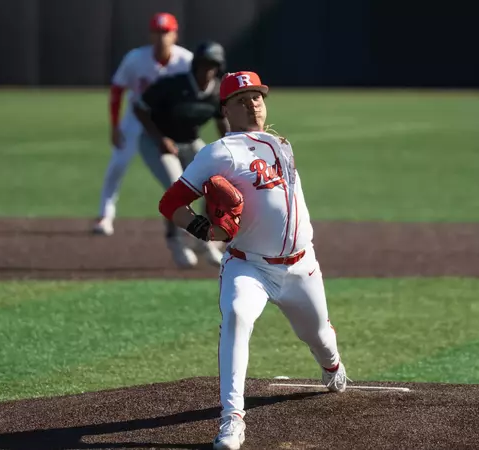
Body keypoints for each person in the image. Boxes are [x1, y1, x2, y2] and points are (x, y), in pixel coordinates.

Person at [157, 71, 348, 450]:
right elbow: (170, 203)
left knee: (321, 339)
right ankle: (232, 420)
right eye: (241, 99)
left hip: (301, 267)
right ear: (225, 109)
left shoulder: (281, 143)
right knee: (238, 317)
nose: (252, 104)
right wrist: (204, 229)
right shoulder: (218, 152)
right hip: (250, 266)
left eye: (256, 97)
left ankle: (332, 367)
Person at [93, 12, 192, 236]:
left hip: (167, 125)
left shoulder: (186, 61)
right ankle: (105, 215)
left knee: (181, 173)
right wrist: (114, 125)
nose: (161, 37)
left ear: (175, 35)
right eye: (157, 32)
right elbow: (117, 90)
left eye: (165, 32)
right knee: (117, 165)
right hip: (134, 121)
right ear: (150, 35)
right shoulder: (135, 58)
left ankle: (186, 219)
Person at [133, 41, 230, 268]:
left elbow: (222, 122)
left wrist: (231, 148)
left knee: (215, 183)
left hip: (189, 141)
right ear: (195, 65)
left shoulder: (217, 91)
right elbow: (140, 107)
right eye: (204, 65)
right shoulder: (173, 85)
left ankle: (204, 239)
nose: (207, 70)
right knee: (178, 187)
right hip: (156, 142)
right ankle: (176, 240)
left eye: (213, 66)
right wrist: (160, 139)